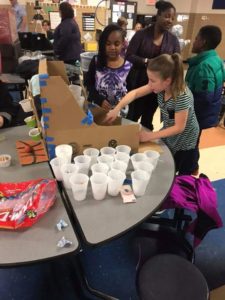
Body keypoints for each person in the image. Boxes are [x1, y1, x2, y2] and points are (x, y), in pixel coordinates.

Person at [105, 53, 200, 175]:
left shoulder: (182, 97)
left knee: (183, 170)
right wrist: (116, 109)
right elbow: (134, 93)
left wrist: (150, 136)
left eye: (152, 80)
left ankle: (191, 170)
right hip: (169, 130)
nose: (149, 84)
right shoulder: (160, 87)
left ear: (167, 81)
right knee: (169, 161)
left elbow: (179, 127)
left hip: (185, 140)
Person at [125, 1, 180, 130]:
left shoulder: (173, 40)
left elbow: (176, 62)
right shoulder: (141, 35)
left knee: (148, 118)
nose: (170, 20)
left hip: (158, 88)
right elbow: (129, 55)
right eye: (167, 16)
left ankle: (145, 142)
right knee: (132, 116)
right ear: (158, 15)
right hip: (138, 82)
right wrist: (146, 61)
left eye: (173, 18)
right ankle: (128, 140)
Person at [185, 25, 225, 173]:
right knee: (194, 142)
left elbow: (204, 98)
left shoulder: (204, 67)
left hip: (197, 115)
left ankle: (188, 172)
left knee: (189, 144)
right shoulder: (217, 60)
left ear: (203, 42)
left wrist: (182, 107)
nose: (194, 42)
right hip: (207, 113)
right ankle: (193, 167)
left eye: (196, 39)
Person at [84, 24, 132, 111]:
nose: (112, 48)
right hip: (97, 109)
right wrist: (99, 100)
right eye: (108, 44)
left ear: (122, 44)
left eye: (116, 44)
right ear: (103, 44)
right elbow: (88, 83)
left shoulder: (128, 66)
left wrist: (123, 101)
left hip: (119, 111)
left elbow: (131, 91)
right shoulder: (96, 61)